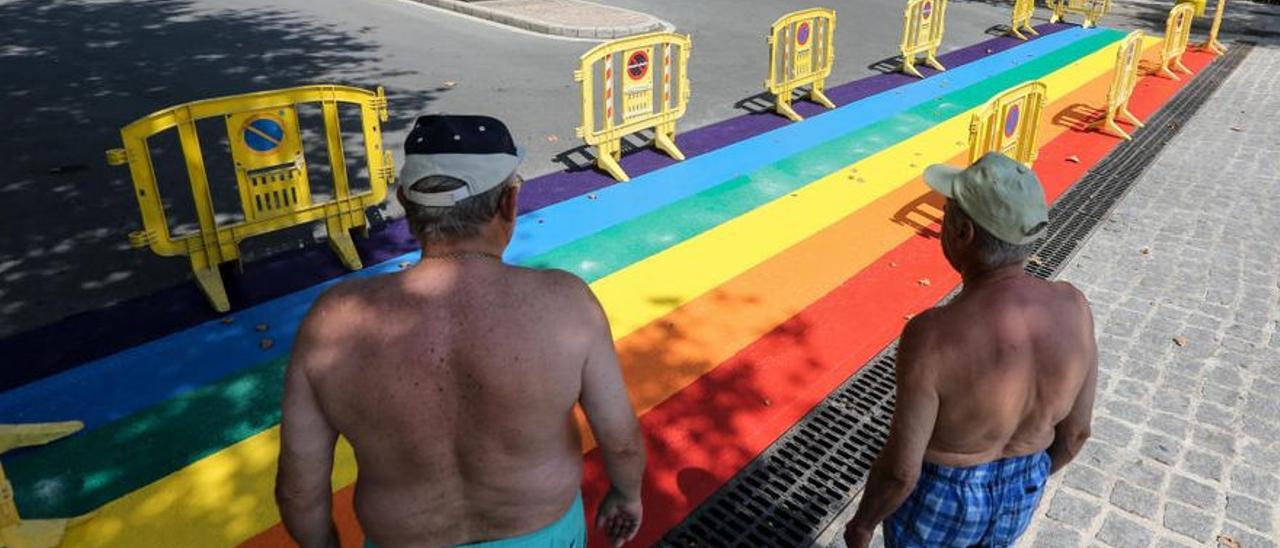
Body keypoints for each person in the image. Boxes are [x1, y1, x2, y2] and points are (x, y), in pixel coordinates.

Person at [275, 115, 646, 548]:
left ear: (407, 206)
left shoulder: (334, 321)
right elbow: (620, 441)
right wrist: (627, 494)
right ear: (509, 203)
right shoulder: (566, 303)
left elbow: (298, 491)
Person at [843, 152, 1098, 548]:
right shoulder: (1075, 306)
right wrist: (1020, 481)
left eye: (945, 213)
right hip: (1023, 485)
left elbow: (901, 473)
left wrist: (861, 525)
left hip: (942, 498)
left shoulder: (931, 334)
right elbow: (1076, 434)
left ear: (962, 233)